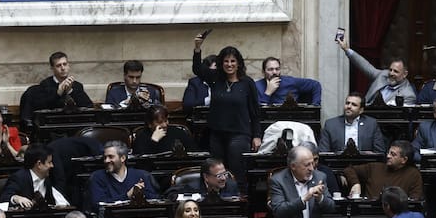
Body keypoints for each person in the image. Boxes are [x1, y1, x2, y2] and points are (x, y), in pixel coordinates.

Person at [192, 33, 263, 186]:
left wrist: (257, 135)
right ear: (221, 63)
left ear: (238, 63)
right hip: (217, 134)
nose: (229, 64)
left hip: (240, 134)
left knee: (237, 171)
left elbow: (255, 112)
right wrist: (197, 48)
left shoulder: (247, 83)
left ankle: (240, 201)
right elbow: (198, 69)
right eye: (226, 61)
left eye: (232, 61)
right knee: (217, 173)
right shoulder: (215, 79)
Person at [267, 144, 337, 218]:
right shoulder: (278, 181)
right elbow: (279, 211)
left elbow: (331, 207)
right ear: (293, 166)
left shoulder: (319, 177)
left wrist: (320, 198)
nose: (311, 168)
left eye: (312, 163)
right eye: (307, 165)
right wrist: (304, 199)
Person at [18, 51, 93, 127]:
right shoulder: (45, 85)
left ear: (68, 65)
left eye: (65, 64)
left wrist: (70, 91)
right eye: (58, 65)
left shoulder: (77, 85)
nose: (63, 68)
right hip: (53, 127)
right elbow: (43, 108)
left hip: (75, 125)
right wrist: (58, 94)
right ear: (52, 68)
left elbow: (89, 106)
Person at [336, 35, 416, 106]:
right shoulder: (383, 75)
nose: (391, 73)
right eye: (390, 70)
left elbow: (397, 117)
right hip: (365, 115)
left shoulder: (408, 95)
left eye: (396, 71)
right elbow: (365, 66)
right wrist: (347, 49)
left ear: (405, 74)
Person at [344, 140, 425, 201]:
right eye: (388, 153)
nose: (388, 156)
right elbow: (349, 169)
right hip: (370, 214)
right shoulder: (375, 167)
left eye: (393, 154)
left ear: (404, 159)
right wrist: (355, 184)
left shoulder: (413, 174)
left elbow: (415, 199)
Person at [2, 143, 70, 210]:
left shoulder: (48, 179)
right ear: (39, 164)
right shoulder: (19, 178)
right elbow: (5, 197)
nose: (52, 166)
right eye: (49, 162)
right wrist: (16, 198)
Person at [319, 93, 387, 154]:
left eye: (354, 105)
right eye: (347, 103)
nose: (349, 106)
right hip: (338, 164)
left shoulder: (371, 124)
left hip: (364, 165)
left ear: (361, 110)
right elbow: (324, 152)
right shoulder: (331, 124)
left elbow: (380, 152)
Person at [255, 56, 323, 106]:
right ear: (263, 71)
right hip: (268, 121)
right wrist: (268, 92)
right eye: (270, 69)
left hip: (290, 118)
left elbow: (315, 85)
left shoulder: (290, 82)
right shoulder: (256, 86)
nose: (274, 72)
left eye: (277, 69)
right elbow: (258, 111)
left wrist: (315, 106)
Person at [133, 104, 197, 154]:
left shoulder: (179, 132)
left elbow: (194, 152)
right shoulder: (141, 137)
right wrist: (154, 141)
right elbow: (140, 161)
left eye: (166, 121)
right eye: (160, 122)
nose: (165, 125)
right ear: (150, 124)